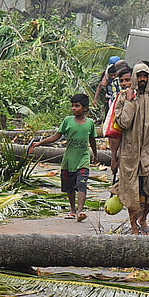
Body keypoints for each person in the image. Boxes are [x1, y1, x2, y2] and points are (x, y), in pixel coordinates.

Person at [113, 62, 149, 235]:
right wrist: (130, 102)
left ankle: (143, 218)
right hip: (129, 152)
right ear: (134, 77)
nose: (143, 79)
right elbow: (123, 123)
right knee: (132, 191)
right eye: (139, 76)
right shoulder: (124, 97)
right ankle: (133, 226)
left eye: (145, 76)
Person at [29, 93, 99, 221]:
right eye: (72, 106)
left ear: (85, 108)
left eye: (77, 106)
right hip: (69, 159)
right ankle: (72, 210)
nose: (74, 108)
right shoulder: (67, 121)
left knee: (82, 183)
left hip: (83, 158)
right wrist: (40, 143)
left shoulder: (90, 123)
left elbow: (92, 139)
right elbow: (56, 136)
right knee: (70, 186)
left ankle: (80, 211)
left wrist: (95, 154)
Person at [107, 66, 133, 175]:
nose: (124, 84)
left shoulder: (145, 97)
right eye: (122, 81)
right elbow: (116, 129)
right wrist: (113, 157)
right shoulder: (119, 99)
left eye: (128, 80)